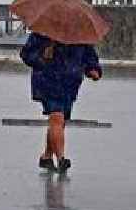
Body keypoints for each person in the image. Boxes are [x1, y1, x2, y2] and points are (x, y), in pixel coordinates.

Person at [20, 32, 102, 173]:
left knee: (58, 122)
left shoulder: (79, 35)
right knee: (57, 117)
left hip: (70, 84)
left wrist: (93, 70)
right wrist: (42, 57)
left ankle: (46, 156)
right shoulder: (43, 33)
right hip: (48, 81)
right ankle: (61, 158)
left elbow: (88, 56)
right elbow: (26, 54)